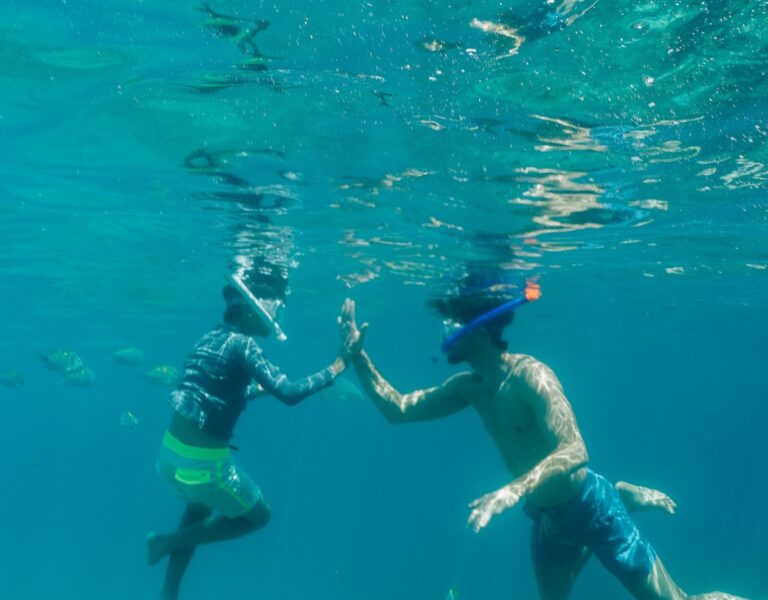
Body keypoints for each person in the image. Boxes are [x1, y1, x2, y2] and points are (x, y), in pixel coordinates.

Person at [338, 281, 747, 600]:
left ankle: (619, 499)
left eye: (451, 324)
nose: (444, 332)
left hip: (591, 506)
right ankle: (624, 498)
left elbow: (575, 449)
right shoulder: (468, 387)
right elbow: (398, 411)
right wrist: (358, 357)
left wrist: (511, 491)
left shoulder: (533, 376)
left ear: (477, 330)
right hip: (550, 518)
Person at [147, 272, 346, 600]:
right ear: (252, 310)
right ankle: (164, 542)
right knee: (259, 516)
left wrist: (253, 391)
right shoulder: (243, 344)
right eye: (275, 309)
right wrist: (337, 368)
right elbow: (289, 392)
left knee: (198, 509)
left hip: (169, 454)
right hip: (202, 464)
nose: (277, 316)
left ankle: (169, 593)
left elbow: (213, 390)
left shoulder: (209, 337)